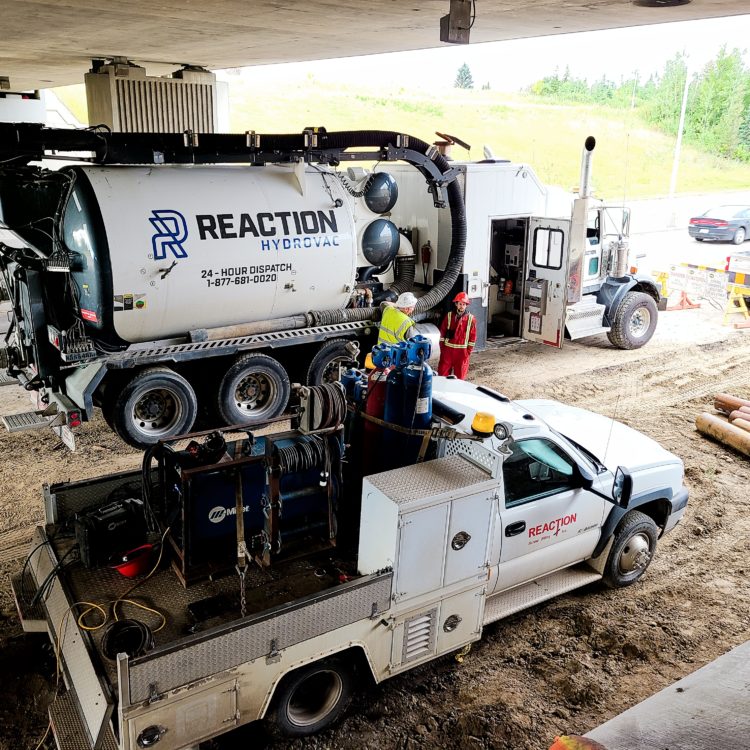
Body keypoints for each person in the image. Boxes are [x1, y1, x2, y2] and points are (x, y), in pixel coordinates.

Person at [438, 292, 476, 379]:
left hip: (462, 353)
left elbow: (473, 337)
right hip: (448, 351)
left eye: (463, 304)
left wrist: (467, 352)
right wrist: (443, 349)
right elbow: (442, 332)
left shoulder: (471, 319)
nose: (461, 306)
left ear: (466, 305)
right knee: (442, 375)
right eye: (460, 304)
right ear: (456, 304)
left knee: (460, 378)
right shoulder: (449, 316)